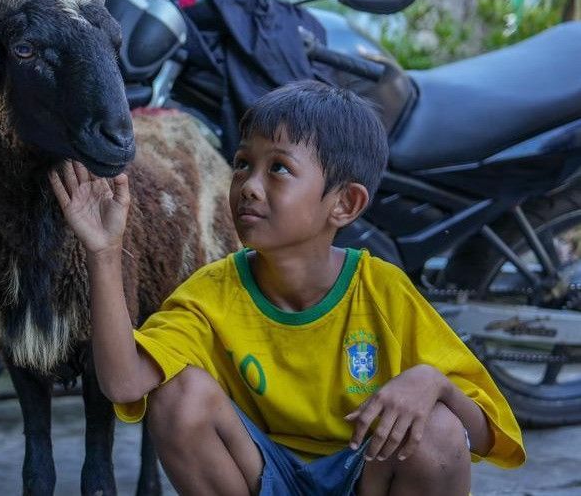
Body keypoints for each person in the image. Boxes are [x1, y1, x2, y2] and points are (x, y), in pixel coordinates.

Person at [50, 81, 525, 495]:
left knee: (438, 429)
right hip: (263, 476)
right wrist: (104, 252)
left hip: (368, 475)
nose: (248, 186)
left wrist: (433, 382)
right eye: (241, 164)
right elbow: (123, 382)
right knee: (179, 395)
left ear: (344, 204)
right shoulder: (212, 293)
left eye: (277, 168)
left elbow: (485, 436)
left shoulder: (380, 290)